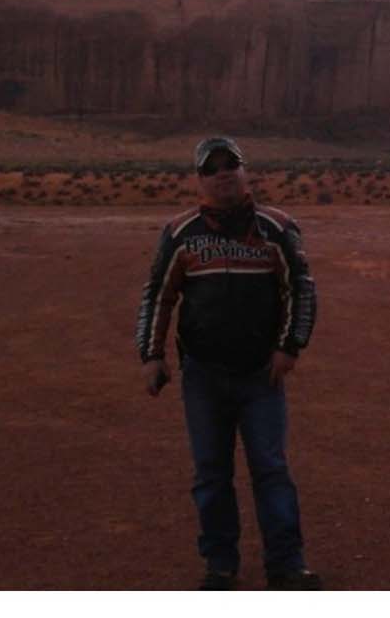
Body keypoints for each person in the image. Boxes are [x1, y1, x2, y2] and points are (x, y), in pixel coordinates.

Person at [137, 135, 321, 590]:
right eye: (212, 167)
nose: (223, 173)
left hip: (262, 374)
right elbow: (159, 295)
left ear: (245, 171)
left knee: (271, 469)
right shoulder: (181, 233)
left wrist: (290, 347)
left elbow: (302, 290)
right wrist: (152, 355)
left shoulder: (276, 228)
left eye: (230, 164)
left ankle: (286, 565)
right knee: (211, 473)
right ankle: (220, 566)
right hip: (203, 376)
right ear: (200, 179)